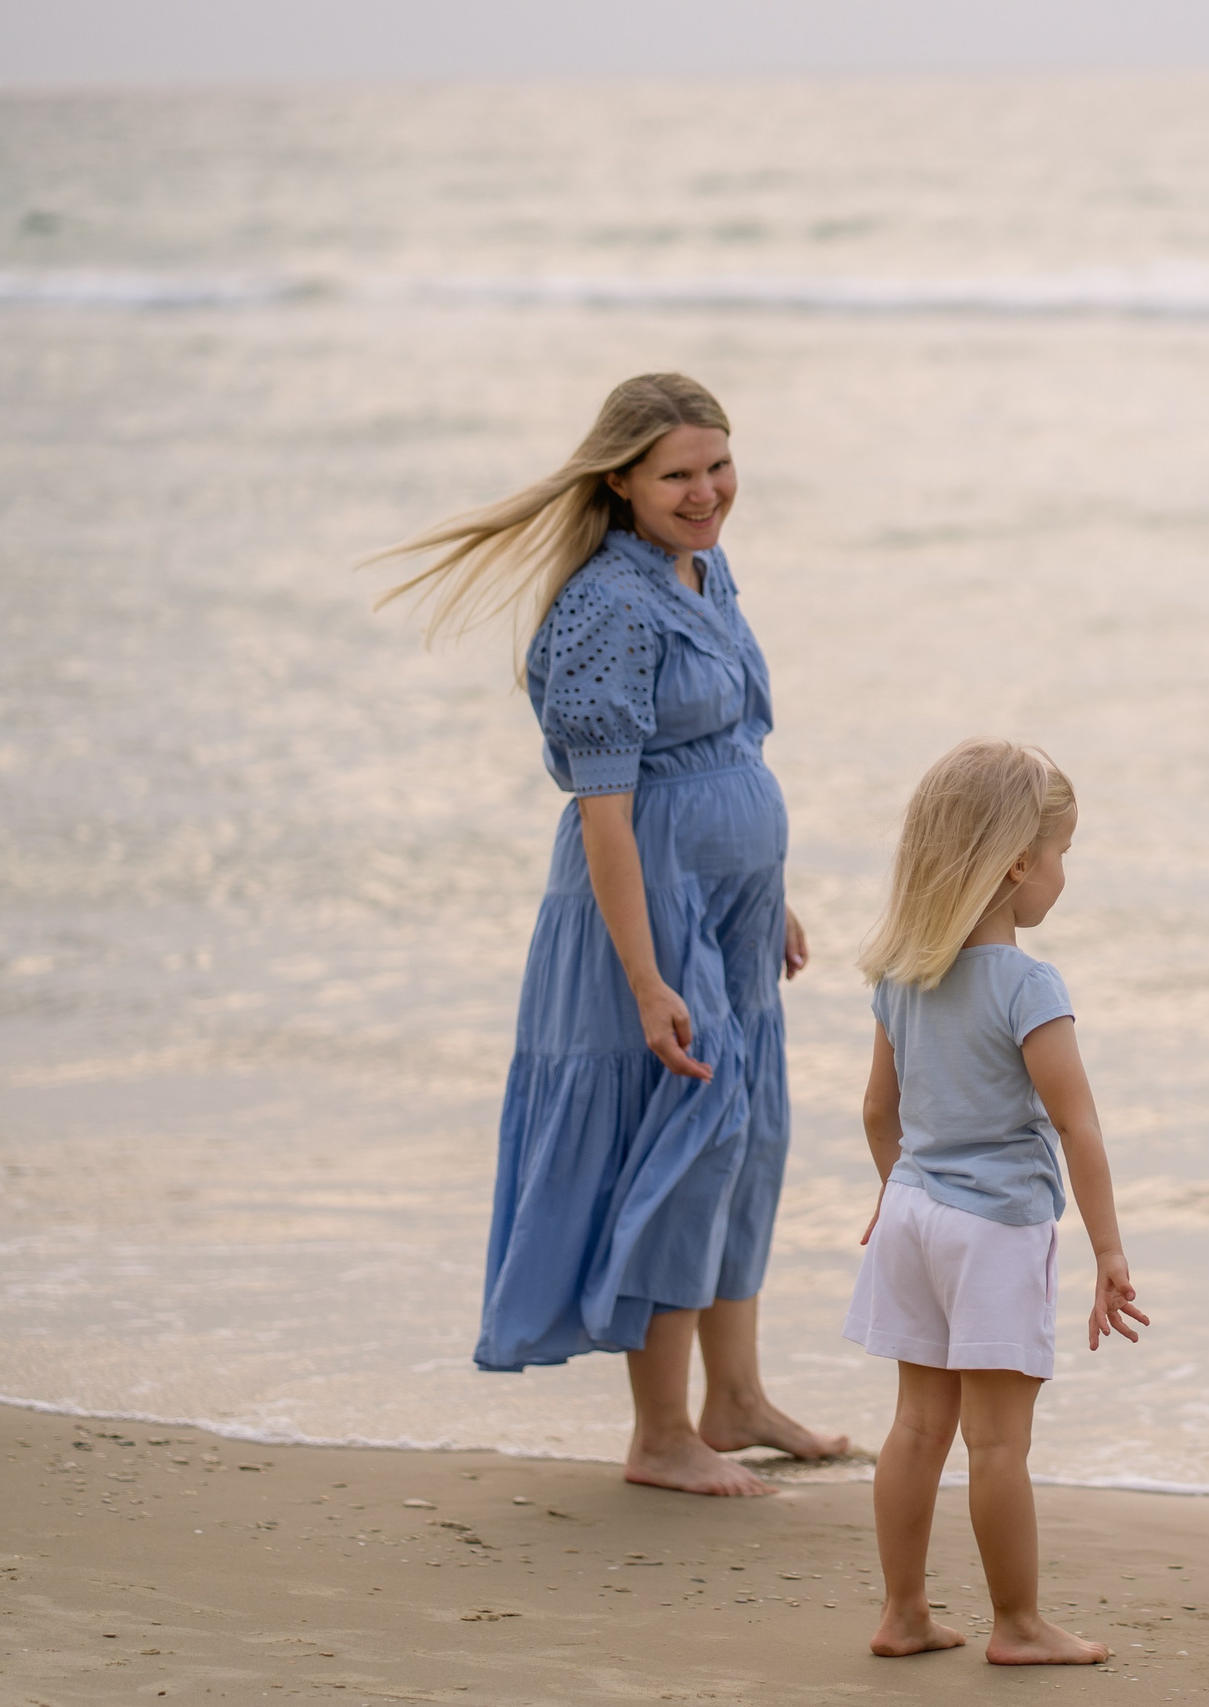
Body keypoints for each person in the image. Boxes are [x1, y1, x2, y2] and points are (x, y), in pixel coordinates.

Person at [370, 373, 846, 1496]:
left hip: (724, 904)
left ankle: (734, 1401)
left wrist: (765, 888)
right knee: (682, 1144)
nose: (705, 492)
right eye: (677, 474)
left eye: (717, 466)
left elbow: (724, 746)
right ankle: (660, 1434)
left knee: (746, 1139)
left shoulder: (702, 570)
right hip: (647, 906)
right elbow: (609, 811)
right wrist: (644, 976)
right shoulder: (606, 606)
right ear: (622, 481)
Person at [845, 739, 1148, 1664]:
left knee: (915, 1425)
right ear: (1019, 863)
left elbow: (877, 1111)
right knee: (997, 1444)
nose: (1063, 874)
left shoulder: (902, 973)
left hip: (913, 1216)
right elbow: (1077, 1127)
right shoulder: (1026, 986)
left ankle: (902, 1612)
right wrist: (1107, 1251)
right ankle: (1018, 1623)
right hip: (995, 1229)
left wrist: (894, 1191)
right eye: (1062, 854)